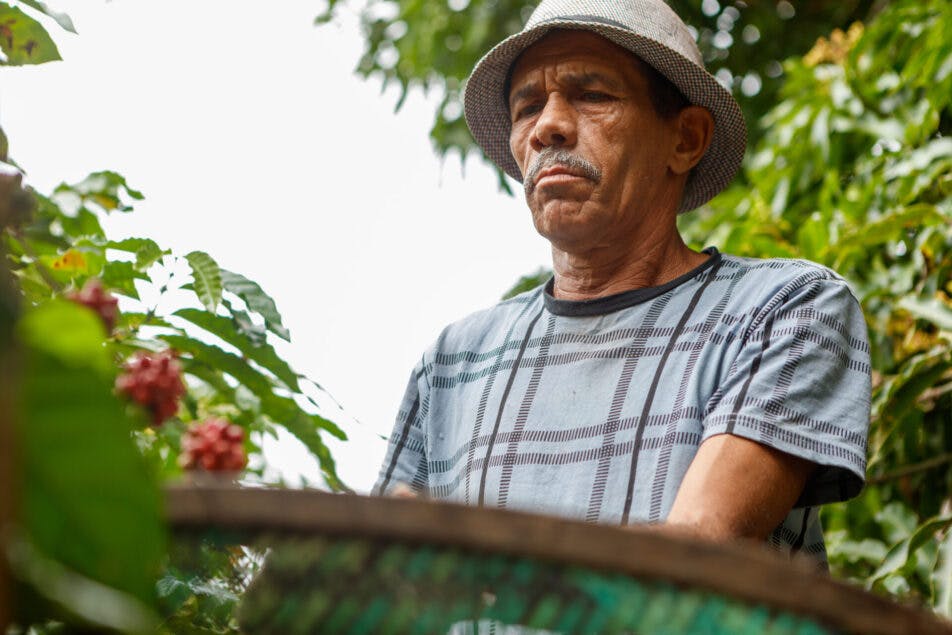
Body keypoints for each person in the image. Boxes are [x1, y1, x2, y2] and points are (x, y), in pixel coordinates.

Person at [374, 0, 870, 565]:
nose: (547, 127)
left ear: (685, 139)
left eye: (592, 95)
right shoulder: (453, 362)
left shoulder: (784, 310)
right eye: (527, 107)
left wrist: (460, 563)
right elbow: (377, 579)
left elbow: (697, 550)